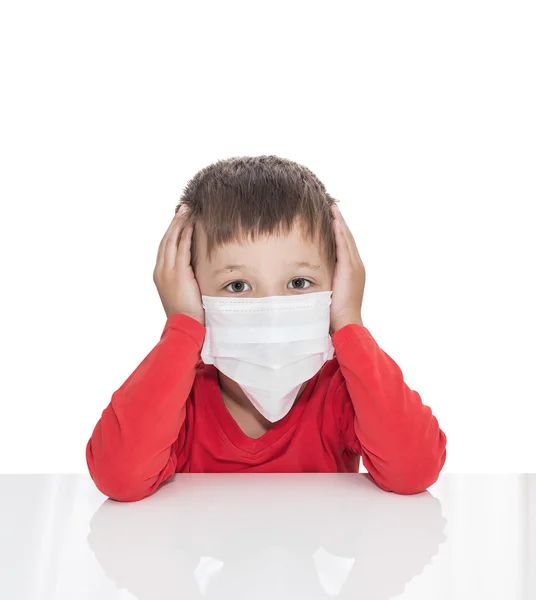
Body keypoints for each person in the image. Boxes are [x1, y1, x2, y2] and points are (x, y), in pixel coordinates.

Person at [86, 155, 447, 502]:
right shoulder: (181, 400)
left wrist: (349, 322)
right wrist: (182, 328)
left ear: (337, 283)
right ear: (190, 288)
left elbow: (414, 469)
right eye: (238, 286)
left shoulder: (342, 390)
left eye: (299, 283)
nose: (273, 314)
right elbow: (119, 476)